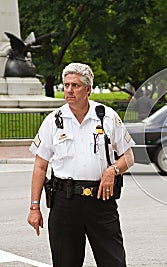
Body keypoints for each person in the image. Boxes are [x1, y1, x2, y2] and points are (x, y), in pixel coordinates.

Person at [27, 63, 135, 266]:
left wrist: (113, 170)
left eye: (75, 85)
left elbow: (128, 157)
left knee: (114, 262)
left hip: (101, 201)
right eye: (66, 85)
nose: (69, 90)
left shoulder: (108, 117)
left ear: (88, 89)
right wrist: (34, 207)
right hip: (64, 203)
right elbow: (40, 167)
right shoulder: (53, 121)